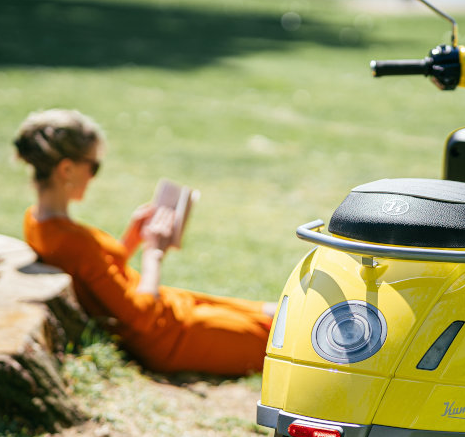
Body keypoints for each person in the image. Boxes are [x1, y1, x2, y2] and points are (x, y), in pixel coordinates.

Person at [14, 108, 274, 375]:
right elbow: (141, 319)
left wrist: (132, 237)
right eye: (93, 166)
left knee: (276, 315)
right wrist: (154, 252)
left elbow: (97, 277)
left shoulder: (36, 221)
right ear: (66, 169)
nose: (93, 176)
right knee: (284, 340)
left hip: (172, 308)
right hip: (170, 337)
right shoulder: (70, 238)